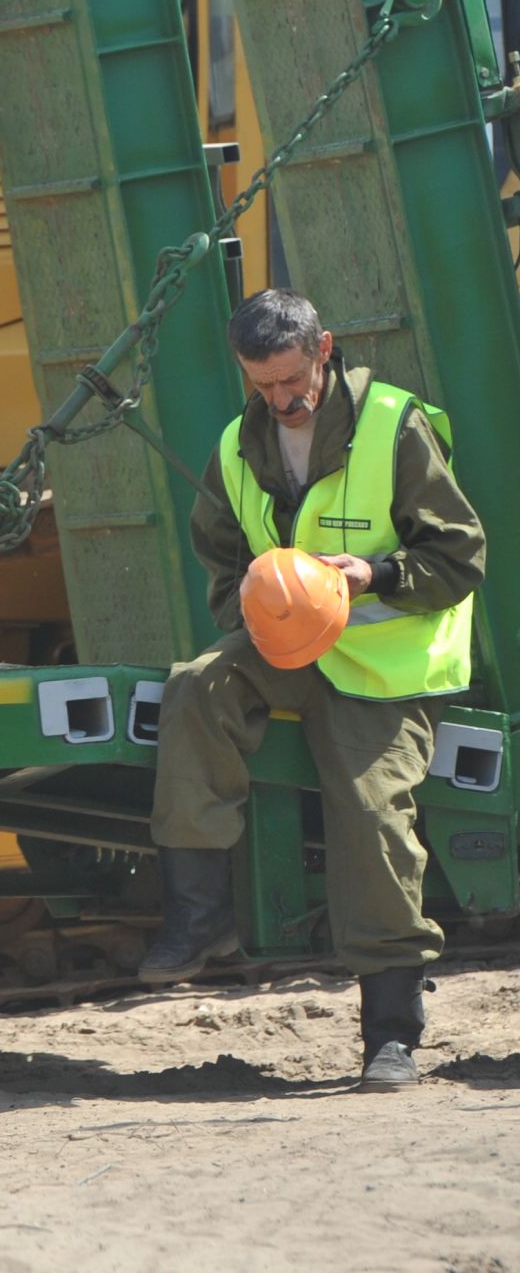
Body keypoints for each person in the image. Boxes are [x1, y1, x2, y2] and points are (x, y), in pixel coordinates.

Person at [145, 288, 485, 1091]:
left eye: (292, 380)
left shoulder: (395, 426)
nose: (280, 400)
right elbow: (223, 566)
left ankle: (391, 1034)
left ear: (324, 349)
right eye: (262, 385)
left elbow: (462, 555)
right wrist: (258, 604)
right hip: (287, 647)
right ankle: (199, 919)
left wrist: (377, 574)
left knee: (371, 813)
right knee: (195, 688)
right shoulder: (236, 444)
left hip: (385, 662)